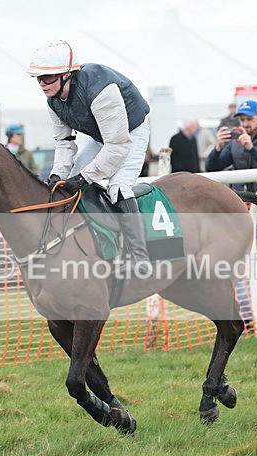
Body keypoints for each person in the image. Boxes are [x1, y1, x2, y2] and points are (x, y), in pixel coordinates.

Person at [28, 39, 152, 277]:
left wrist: (85, 177)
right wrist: (58, 175)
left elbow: (117, 146)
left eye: (49, 77)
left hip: (130, 134)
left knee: (118, 187)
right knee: (66, 186)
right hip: (101, 137)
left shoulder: (101, 91)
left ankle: (140, 257)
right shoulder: (53, 100)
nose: (42, 84)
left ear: (67, 74)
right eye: (38, 78)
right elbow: (64, 143)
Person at [205, 99, 257, 328]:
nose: (245, 124)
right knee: (238, 270)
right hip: (239, 216)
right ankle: (247, 319)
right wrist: (218, 148)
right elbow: (212, 169)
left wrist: (251, 148)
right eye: (242, 120)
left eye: (249, 119)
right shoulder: (234, 144)